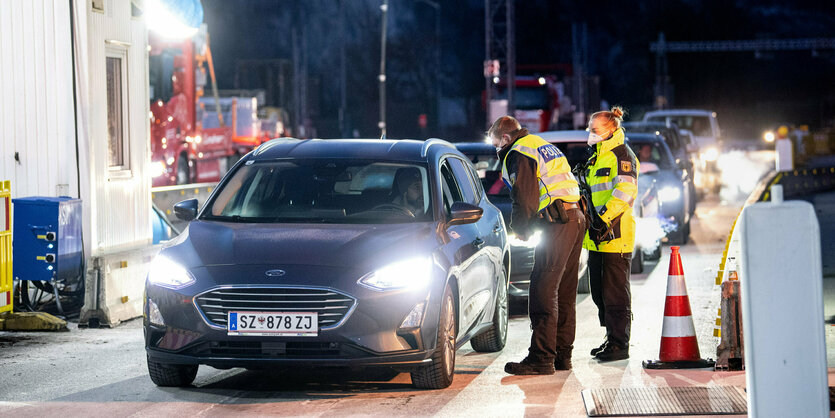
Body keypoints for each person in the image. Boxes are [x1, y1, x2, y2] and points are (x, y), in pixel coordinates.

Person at [490, 116, 586, 375]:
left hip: (557, 221)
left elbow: (524, 195)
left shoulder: (518, 152)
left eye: (496, 142)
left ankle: (541, 358)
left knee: (543, 288)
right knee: (564, 291)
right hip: (575, 218)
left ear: (506, 138)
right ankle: (562, 356)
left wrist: (521, 229)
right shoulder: (541, 143)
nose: (496, 147)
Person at [582, 107, 639, 362]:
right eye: (590, 130)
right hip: (597, 238)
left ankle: (620, 343)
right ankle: (610, 337)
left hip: (615, 235)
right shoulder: (597, 156)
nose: (590, 134)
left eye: (595, 130)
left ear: (612, 129)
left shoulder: (621, 155)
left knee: (615, 294)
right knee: (599, 293)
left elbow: (625, 192)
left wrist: (603, 219)